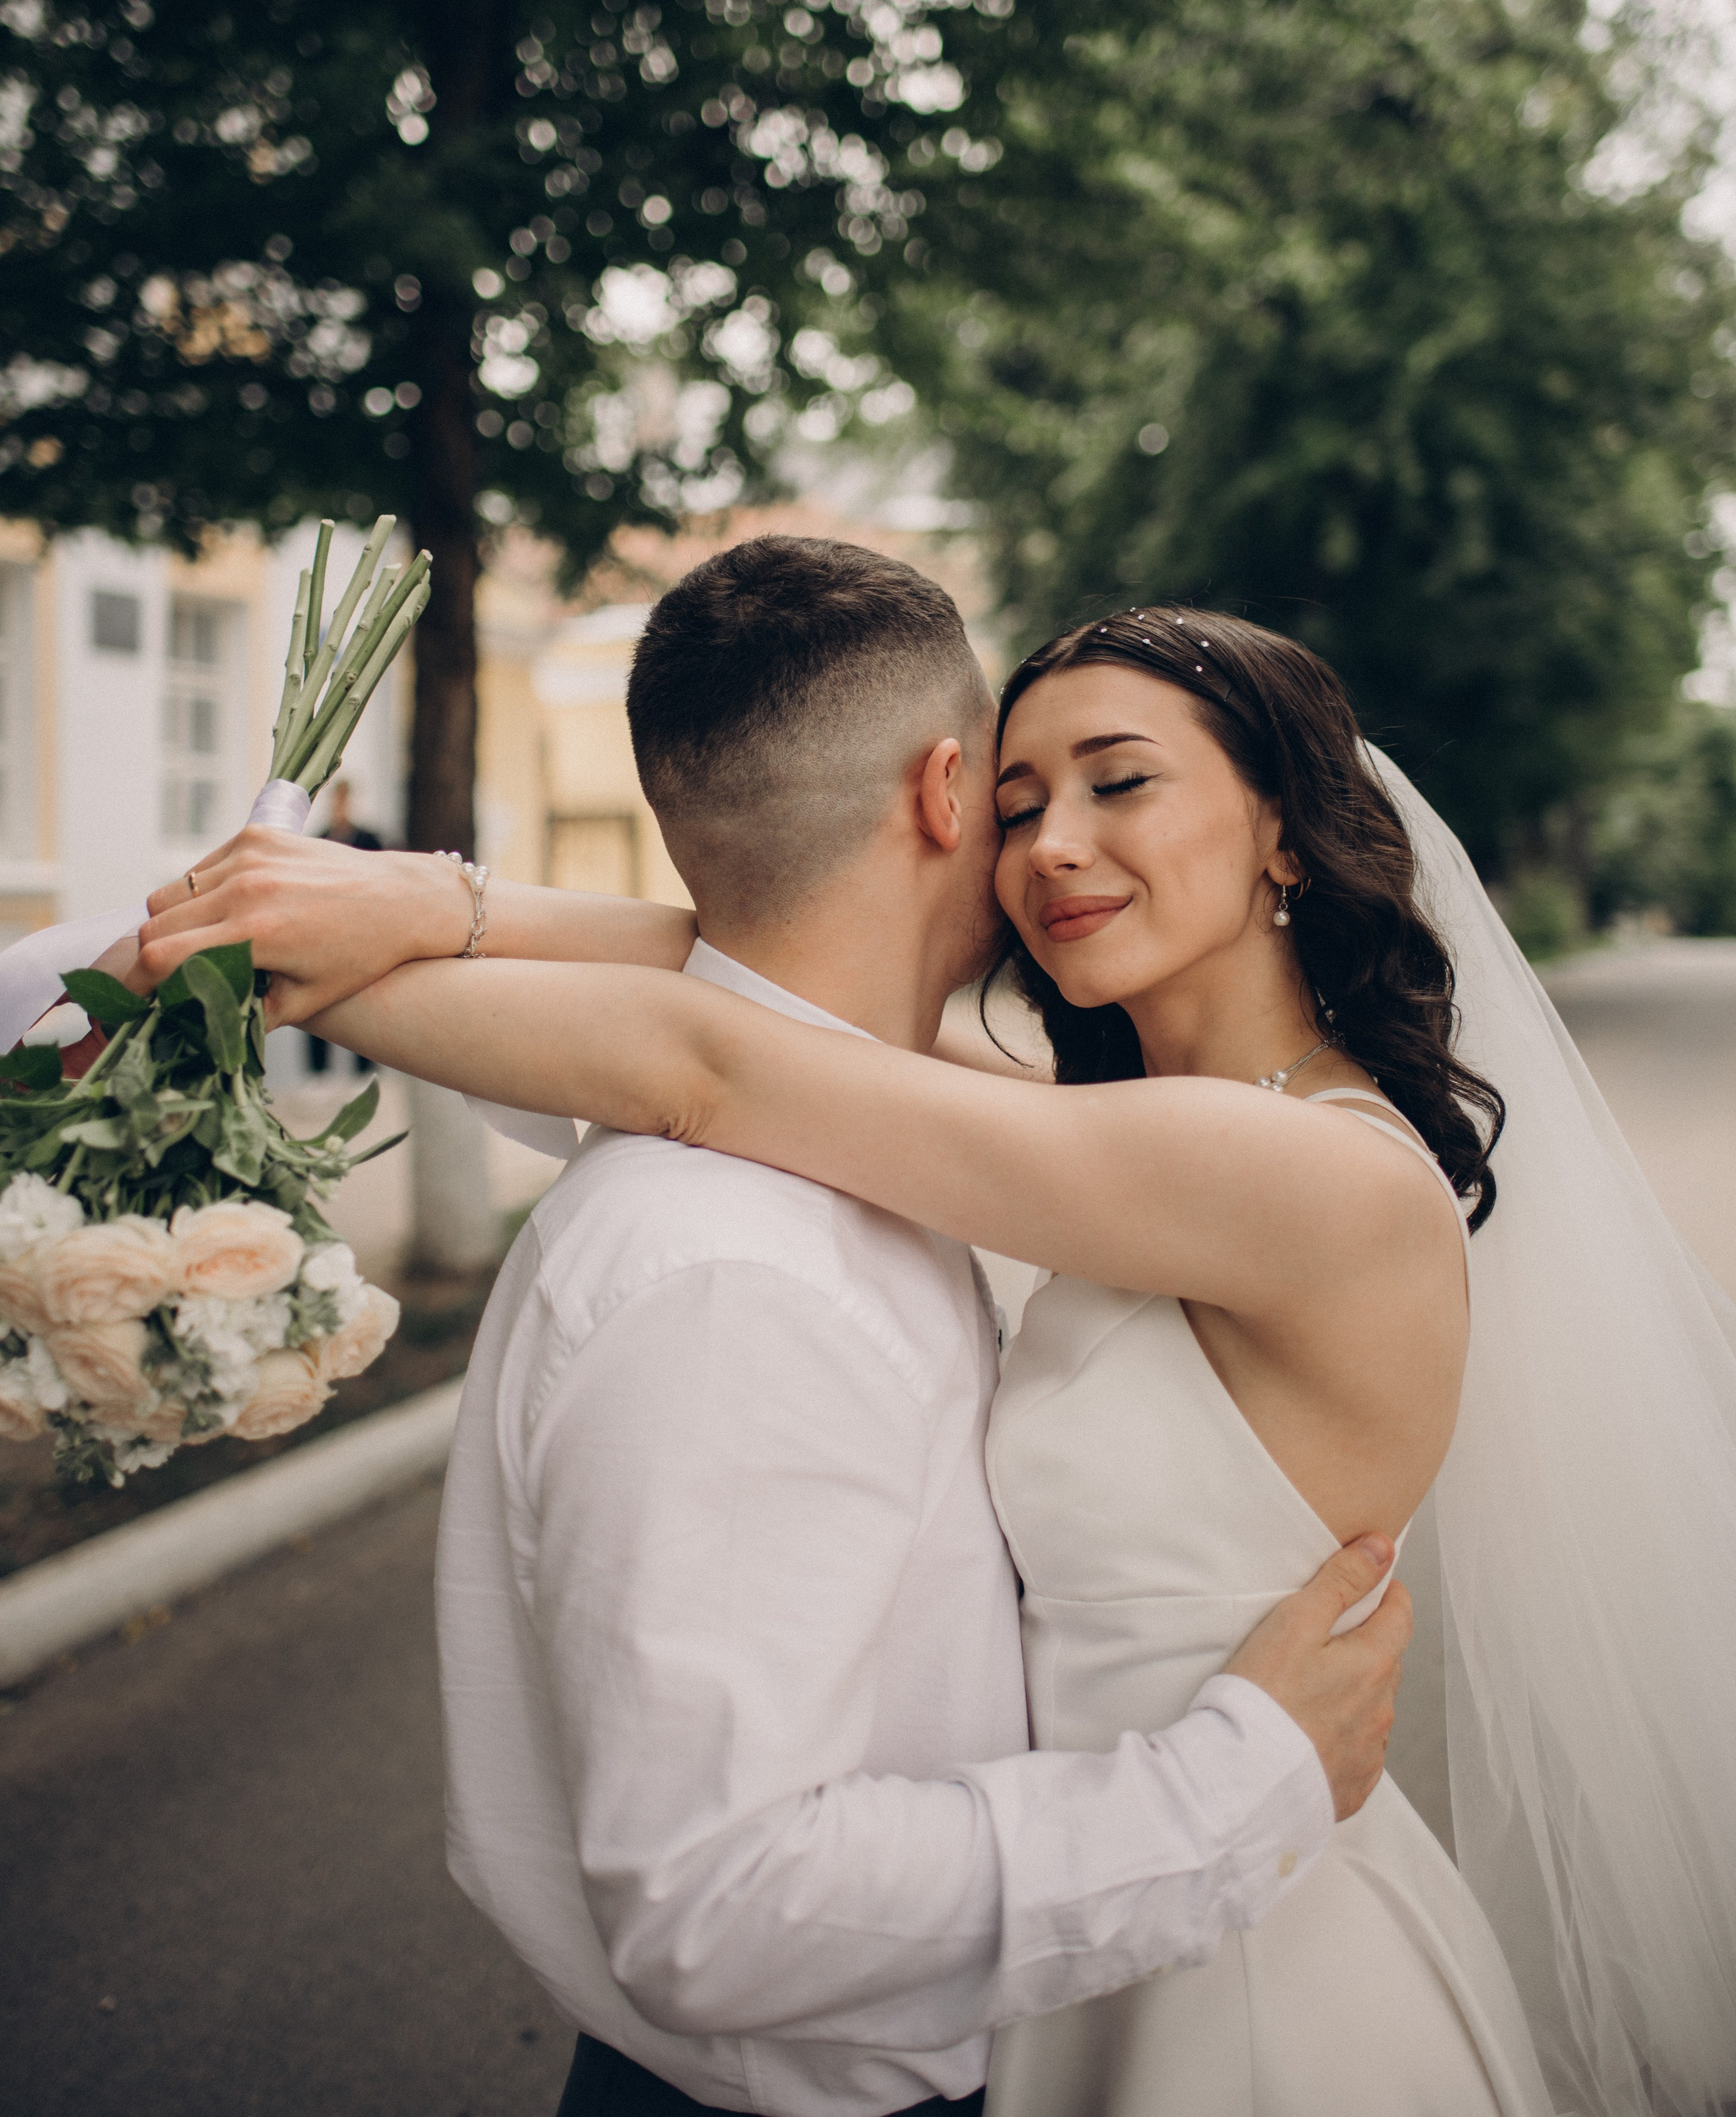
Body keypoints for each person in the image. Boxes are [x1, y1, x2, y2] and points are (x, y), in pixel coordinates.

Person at [140, 551, 1736, 2115]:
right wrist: (439, 899)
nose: (1050, 846)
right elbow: (752, 995)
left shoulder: (1302, 1172)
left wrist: (244, 977)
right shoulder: (1114, 1136)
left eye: (1119, 783)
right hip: (1070, 1942)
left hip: (1246, 1976)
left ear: (1283, 835)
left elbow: (724, 1057)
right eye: (1019, 800)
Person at [304, 779, 383, 1078]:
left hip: (361, 931)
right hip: (325, 931)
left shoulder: (370, 840)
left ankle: (365, 1070)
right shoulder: (319, 840)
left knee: (363, 999)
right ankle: (320, 1073)